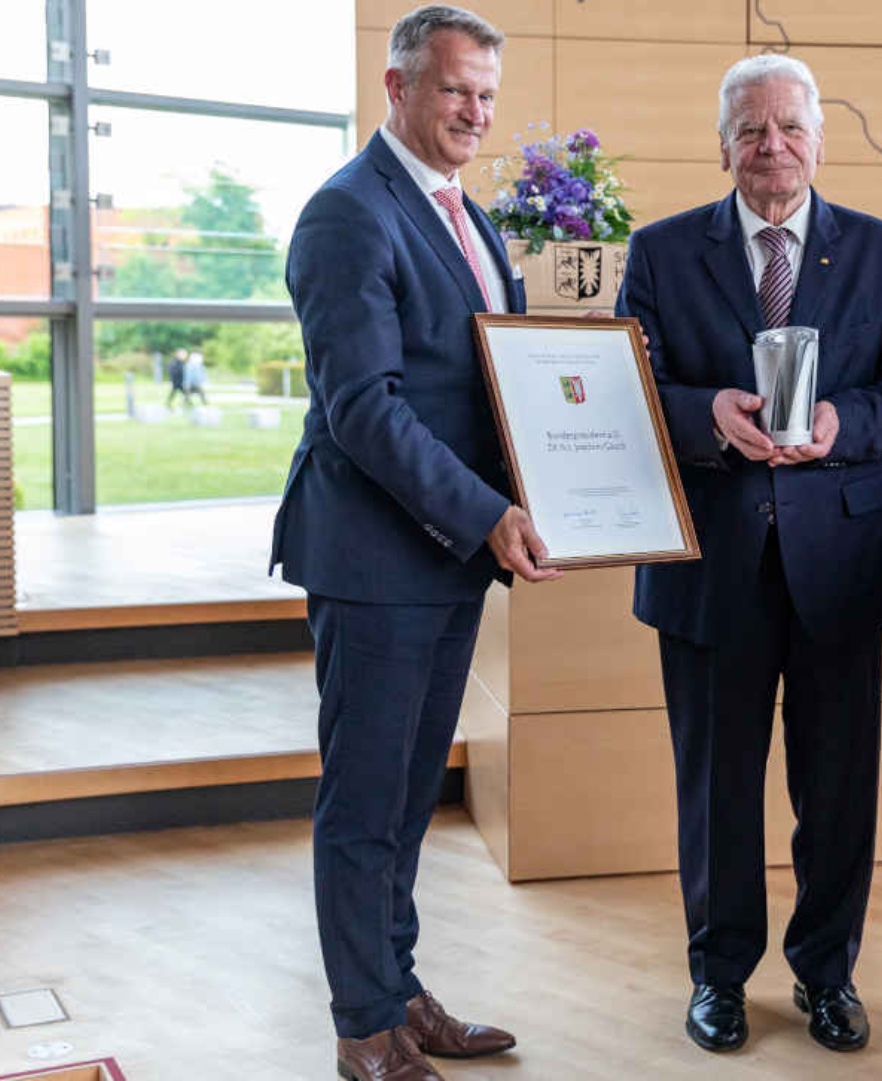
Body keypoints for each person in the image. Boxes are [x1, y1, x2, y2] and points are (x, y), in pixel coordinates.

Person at [614, 53, 882, 1057]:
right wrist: (707, 414)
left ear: (819, 141)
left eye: (790, 127)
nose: (772, 145)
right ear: (723, 145)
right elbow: (629, 389)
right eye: (752, 129)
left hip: (834, 563)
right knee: (716, 786)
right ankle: (718, 976)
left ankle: (826, 972)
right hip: (708, 563)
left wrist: (840, 423)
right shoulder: (662, 252)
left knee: (836, 787)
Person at [269, 6, 559, 1079]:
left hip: (442, 555)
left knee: (405, 799)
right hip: (374, 556)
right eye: (454, 91)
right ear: (397, 89)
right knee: (365, 803)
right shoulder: (350, 215)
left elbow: (490, 384)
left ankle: (397, 990)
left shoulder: (462, 216)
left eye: (486, 94)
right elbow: (366, 411)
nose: (475, 113)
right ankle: (361, 1028)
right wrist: (490, 511)